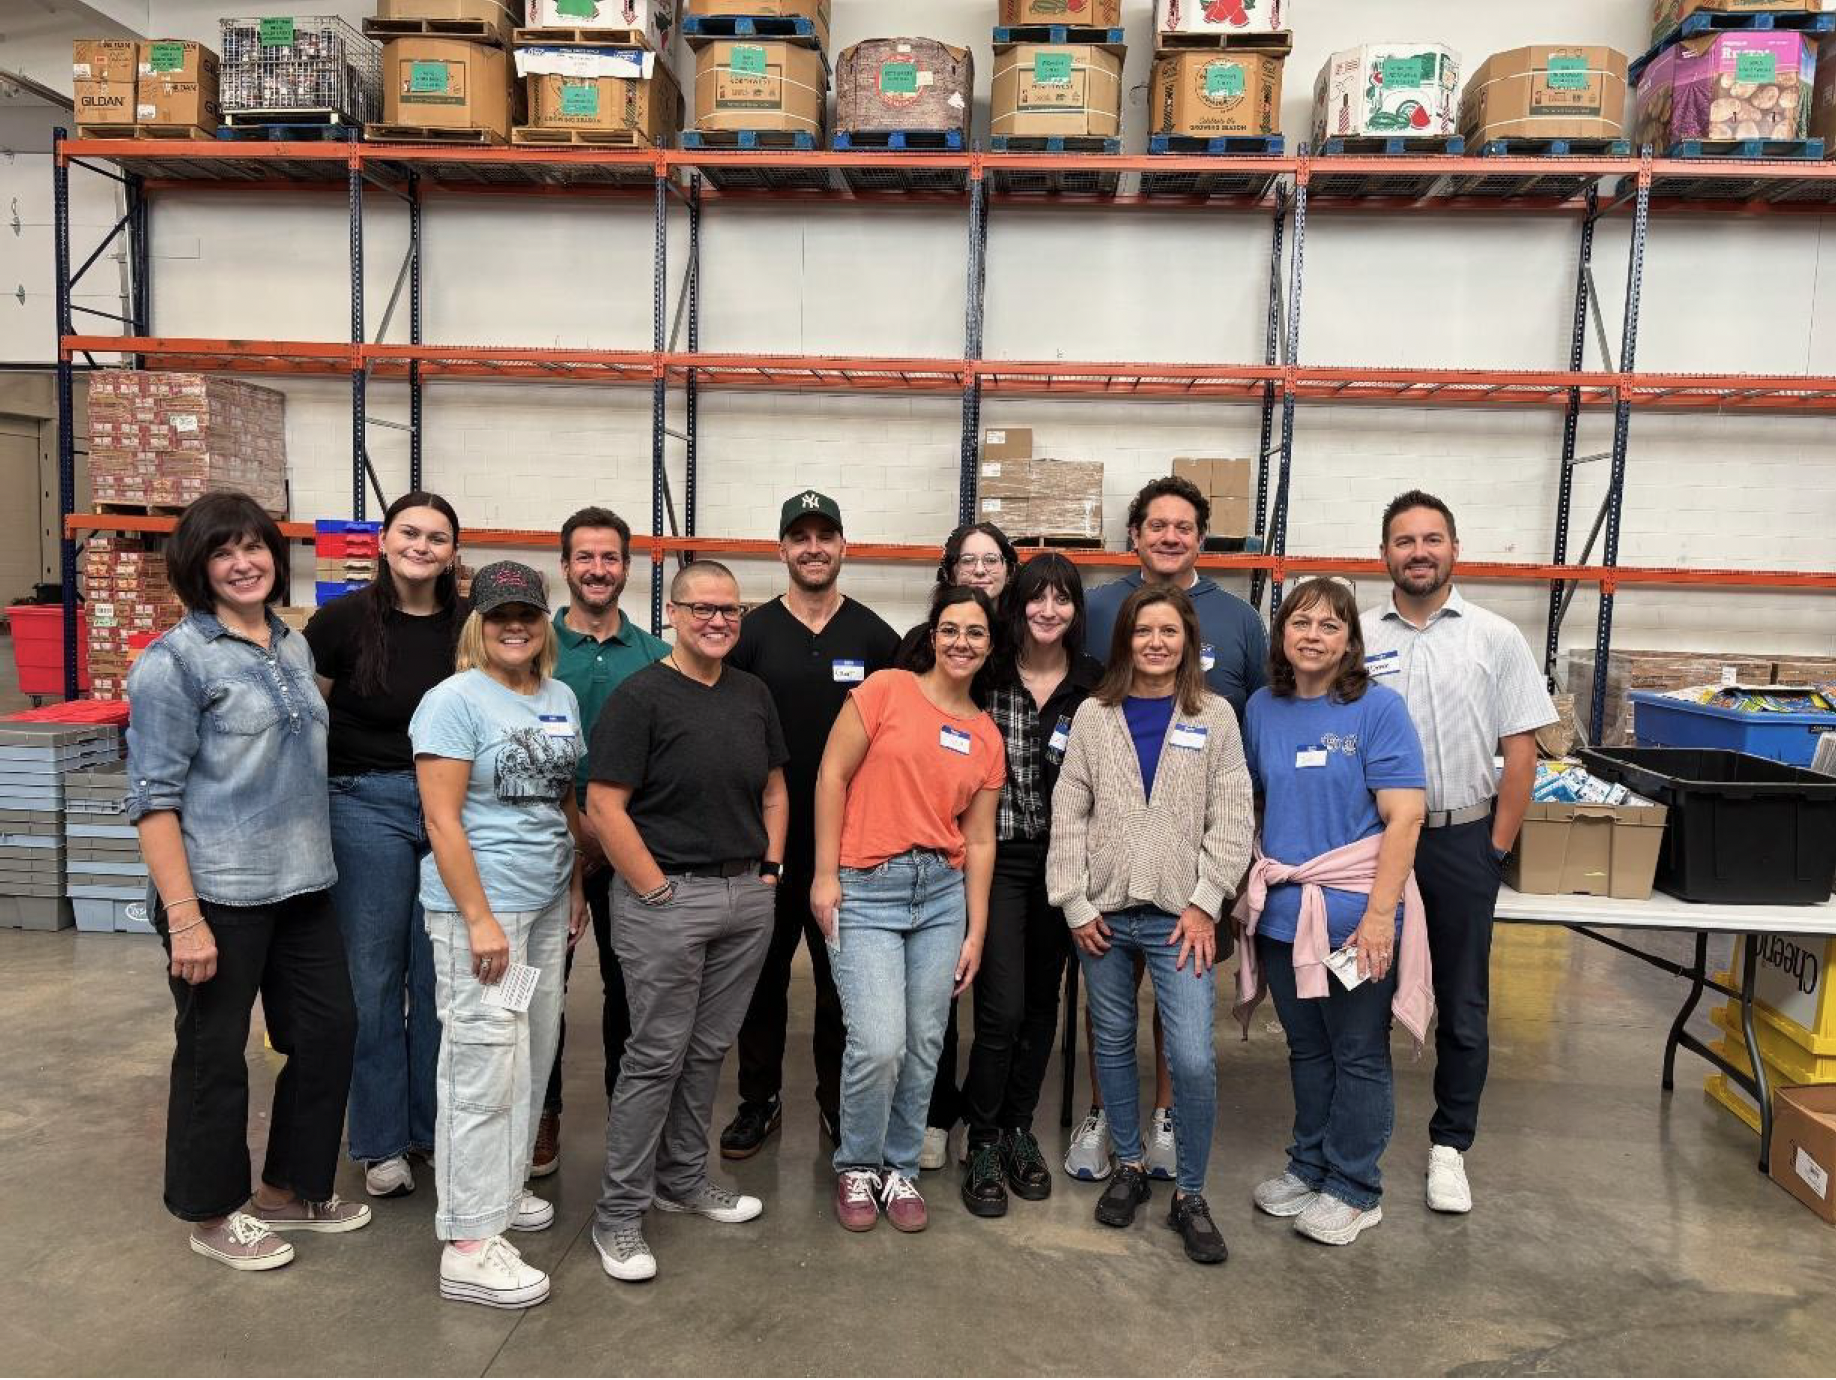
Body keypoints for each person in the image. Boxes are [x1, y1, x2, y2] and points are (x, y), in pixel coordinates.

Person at [127, 491, 368, 1273]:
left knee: (329, 1032)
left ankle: (291, 1190)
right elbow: (153, 801)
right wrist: (183, 917)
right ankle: (211, 1210)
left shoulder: (291, 647)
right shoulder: (174, 664)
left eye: (254, 546)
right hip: (219, 894)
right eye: (223, 552)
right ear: (197, 568)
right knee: (214, 1054)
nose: (243, 562)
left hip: (302, 885)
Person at [586, 561, 788, 1284]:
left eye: (730, 611)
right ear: (672, 613)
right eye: (702, 609)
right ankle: (617, 1216)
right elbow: (603, 805)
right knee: (655, 1056)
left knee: (706, 1052)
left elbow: (773, 787)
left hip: (744, 898)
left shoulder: (752, 694)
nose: (717, 621)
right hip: (665, 900)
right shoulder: (642, 697)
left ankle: (681, 1179)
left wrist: (769, 872)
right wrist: (653, 889)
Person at [1360, 491, 1556, 1215]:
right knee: (1365, 993)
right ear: (1384, 554)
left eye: (1431, 539)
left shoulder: (1496, 638)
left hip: (1461, 840)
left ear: (1454, 549)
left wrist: (1493, 849)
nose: (1419, 551)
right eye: (1404, 540)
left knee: (1463, 1004)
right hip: (1374, 845)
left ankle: (1450, 1147)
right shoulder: (1355, 634)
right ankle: (1362, 1137)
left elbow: (1522, 753)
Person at [1046, 583, 1253, 1265]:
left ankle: (1190, 1192)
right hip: (1103, 916)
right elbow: (1069, 811)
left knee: (1192, 1055)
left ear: (1189, 641)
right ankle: (1130, 1166)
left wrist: (1207, 900)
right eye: (1143, 632)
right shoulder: (1093, 716)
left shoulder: (1214, 716)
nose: (1156, 643)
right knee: (1111, 1043)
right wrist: (1073, 902)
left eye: (1169, 632)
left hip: (1179, 920)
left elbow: (1233, 818)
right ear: (1124, 640)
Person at [1072, 474, 1268, 1180]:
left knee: (1182, 1028)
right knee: (1110, 1018)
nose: (1169, 536)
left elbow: (1248, 753)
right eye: (1156, 525)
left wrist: (1215, 889)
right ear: (1135, 536)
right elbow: (1079, 775)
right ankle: (1110, 1120)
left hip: (1191, 870)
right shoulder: (1095, 609)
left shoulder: (1242, 623)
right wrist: (1075, 891)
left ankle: (1165, 1122)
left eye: (1184, 526)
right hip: (1109, 873)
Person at [411, 561, 589, 1310]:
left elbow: (562, 800)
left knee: (528, 1051)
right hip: (483, 913)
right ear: (477, 625)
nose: (514, 626)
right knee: (482, 1064)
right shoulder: (452, 702)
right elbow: (441, 819)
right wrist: (480, 919)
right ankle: (469, 1244)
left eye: (527, 613)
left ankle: (499, 1193)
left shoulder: (560, 695)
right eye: (499, 615)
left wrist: (577, 880)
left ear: (544, 621)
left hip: (544, 906)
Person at [1233, 578, 1431, 1247]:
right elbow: (1259, 802)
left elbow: (1406, 816)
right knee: (1307, 1049)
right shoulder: (1262, 707)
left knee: (1357, 1053)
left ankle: (1354, 1186)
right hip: (1285, 916)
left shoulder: (1378, 711)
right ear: (1282, 634)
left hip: (1352, 917)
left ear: (1350, 641)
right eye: (1300, 623)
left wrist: (1380, 919)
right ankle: (1309, 1165)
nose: (1313, 635)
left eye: (1329, 625)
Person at [814, 586, 1004, 1235]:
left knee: (925, 1043)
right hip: (866, 887)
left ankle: (900, 1168)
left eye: (975, 632)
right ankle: (857, 1164)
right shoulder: (886, 691)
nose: (961, 642)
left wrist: (977, 928)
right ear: (933, 633)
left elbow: (979, 839)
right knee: (877, 1040)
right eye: (951, 629)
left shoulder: (985, 736)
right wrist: (823, 875)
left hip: (940, 897)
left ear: (990, 645)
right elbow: (831, 776)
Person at [719, 492, 900, 1161]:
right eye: (801, 537)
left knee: (841, 986)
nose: (814, 547)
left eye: (827, 535)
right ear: (782, 550)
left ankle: (836, 1101)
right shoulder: (752, 635)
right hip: (763, 844)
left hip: (850, 849)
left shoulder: (876, 638)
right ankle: (757, 1100)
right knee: (759, 980)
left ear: (844, 546)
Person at [305, 490, 464, 1201]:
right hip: (362, 800)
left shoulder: (471, 627)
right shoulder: (339, 623)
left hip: (450, 809)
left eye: (437, 537)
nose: (421, 546)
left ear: (454, 552)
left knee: (438, 978)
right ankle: (379, 1141)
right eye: (410, 533)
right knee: (372, 978)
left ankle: (430, 1130)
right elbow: (307, 721)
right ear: (384, 541)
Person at [959, 553, 1101, 1218]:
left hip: (1067, 862)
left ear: (1077, 610)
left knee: (1044, 1006)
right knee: (1002, 1008)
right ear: (1016, 605)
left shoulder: (1096, 686)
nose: (1049, 611)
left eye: (1062, 599)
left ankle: (1018, 1129)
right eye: (1036, 598)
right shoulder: (986, 675)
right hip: (997, 856)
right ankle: (980, 1138)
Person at [533, 506, 669, 1180]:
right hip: (541, 851)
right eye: (584, 557)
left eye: (609, 558)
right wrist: (570, 836)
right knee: (538, 991)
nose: (596, 569)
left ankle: (630, 1110)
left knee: (631, 989)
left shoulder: (654, 656)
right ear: (565, 566)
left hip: (627, 850)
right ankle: (542, 1112)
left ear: (626, 567)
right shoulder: (532, 648)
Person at [895, 519, 1016, 1170]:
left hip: (1007, 843)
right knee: (936, 992)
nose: (979, 570)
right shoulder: (918, 647)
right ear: (948, 573)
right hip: (933, 846)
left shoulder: (1023, 645)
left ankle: (987, 1117)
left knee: (997, 990)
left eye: (991, 560)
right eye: (966, 561)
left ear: (1007, 569)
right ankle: (933, 1112)